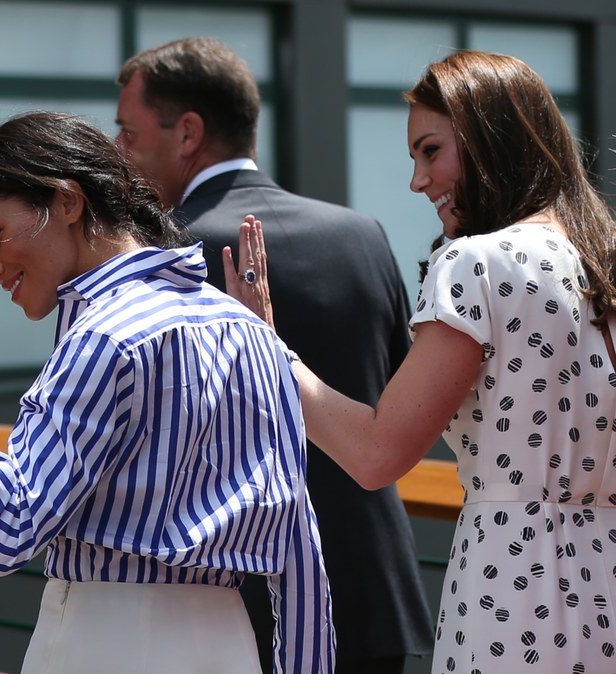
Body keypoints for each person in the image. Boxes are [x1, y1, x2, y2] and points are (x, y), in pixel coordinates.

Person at [0, 111, 333, 673]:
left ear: (67, 201)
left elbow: (6, 530)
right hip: (230, 642)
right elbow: (299, 551)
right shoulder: (249, 331)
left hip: (105, 638)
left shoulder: (103, 337)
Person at [226, 50, 616, 674]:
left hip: (512, 594)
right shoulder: (604, 261)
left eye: (431, 151)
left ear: (491, 139)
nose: (418, 180)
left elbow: (378, 455)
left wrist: (266, 349)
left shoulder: (476, 265)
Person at [115, 36, 432, 674]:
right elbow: (401, 402)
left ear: (188, 134)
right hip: (376, 592)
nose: (119, 155)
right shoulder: (361, 234)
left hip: (240, 604)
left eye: (127, 132)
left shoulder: (167, 254)